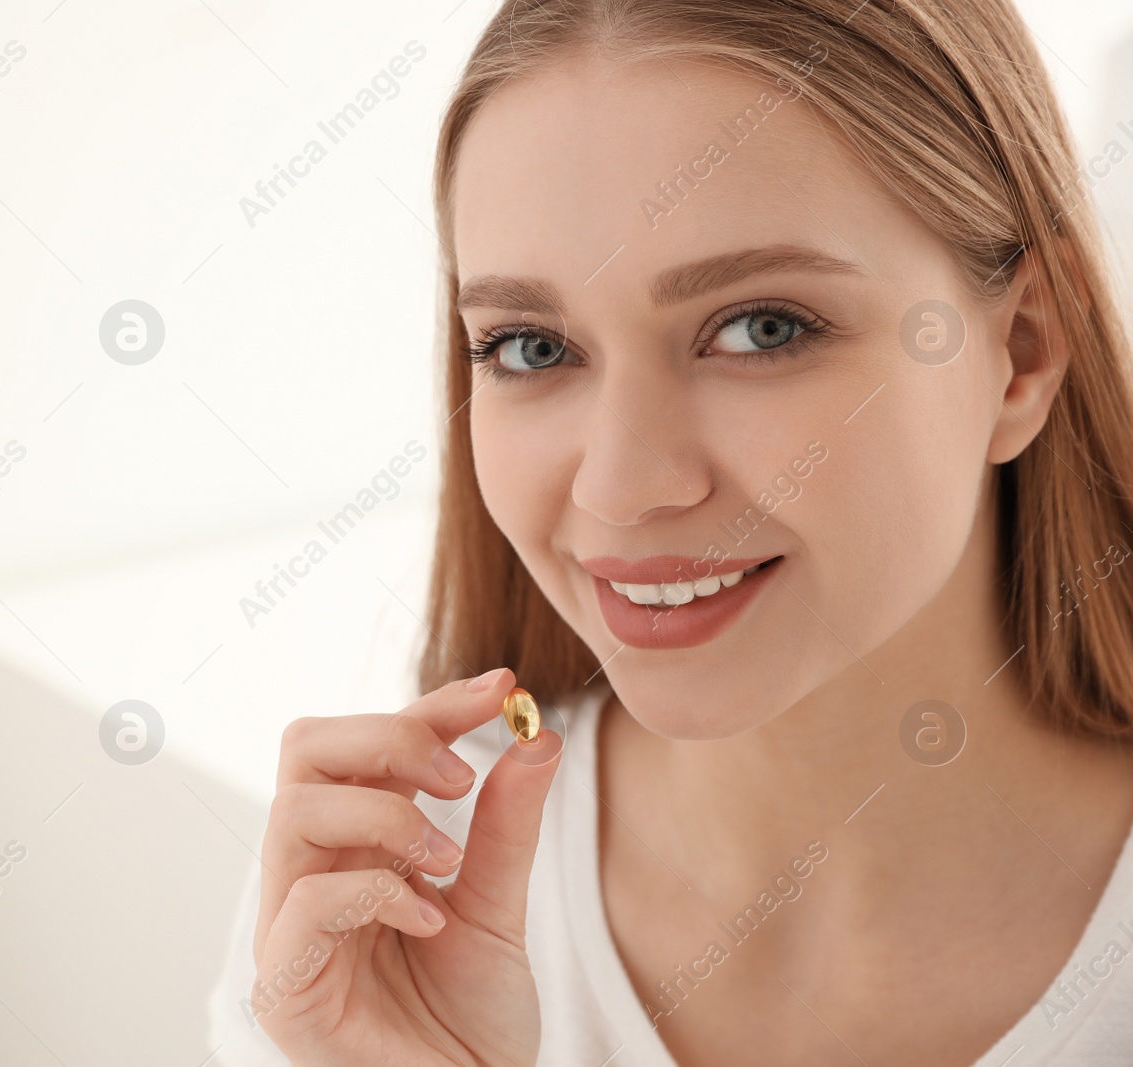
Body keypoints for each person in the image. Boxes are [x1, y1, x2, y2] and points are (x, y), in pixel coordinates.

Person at [207, 0, 1133, 1063]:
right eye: (530, 348)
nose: (621, 486)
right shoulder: (375, 904)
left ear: (1019, 349)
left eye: (760, 329)